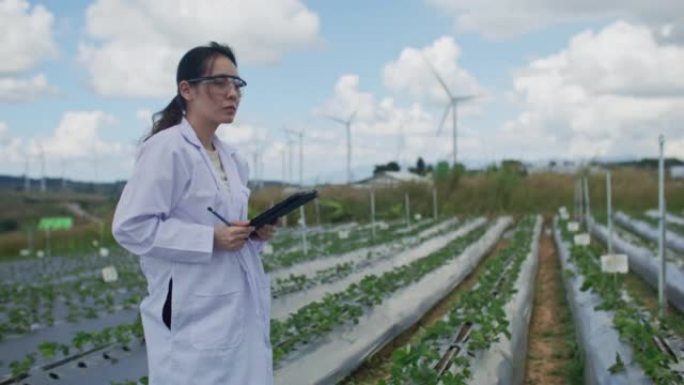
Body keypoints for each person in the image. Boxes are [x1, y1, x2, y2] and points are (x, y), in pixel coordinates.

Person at [112, 42, 275, 385]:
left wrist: (250, 235)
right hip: (191, 309)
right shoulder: (166, 148)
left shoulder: (233, 158)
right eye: (220, 82)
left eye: (237, 84)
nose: (232, 93)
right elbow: (131, 227)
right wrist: (211, 238)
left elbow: (225, 231)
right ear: (186, 90)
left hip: (233, 305)